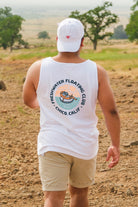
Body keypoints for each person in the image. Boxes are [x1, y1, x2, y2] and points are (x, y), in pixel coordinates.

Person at [23, 18, 120, 207]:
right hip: (84, 145)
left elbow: (28, 100)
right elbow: (111, 111)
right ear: (82, 41)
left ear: (57, 39)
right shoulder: (97, 71)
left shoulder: (38, 68)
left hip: (52, 144)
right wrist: (115, 144)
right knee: (80, 194)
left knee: (52, 198)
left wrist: (45, 103)